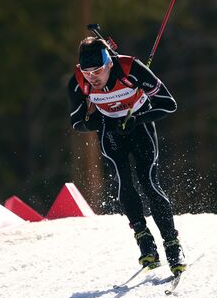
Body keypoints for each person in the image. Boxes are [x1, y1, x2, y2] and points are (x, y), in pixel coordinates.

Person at [67, 36, 186, 275]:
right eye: (87, 71)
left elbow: (169, 104)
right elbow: (77, 123)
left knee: (148, 181)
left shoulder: (131, 69)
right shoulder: (79, 81)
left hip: (139, 127)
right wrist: (101, 121)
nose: (93, 77)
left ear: (109, 62)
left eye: (98, 70)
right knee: (123, 181)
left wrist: (137, 118)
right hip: (111, 132)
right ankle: (144, 241)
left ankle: (172, 244)